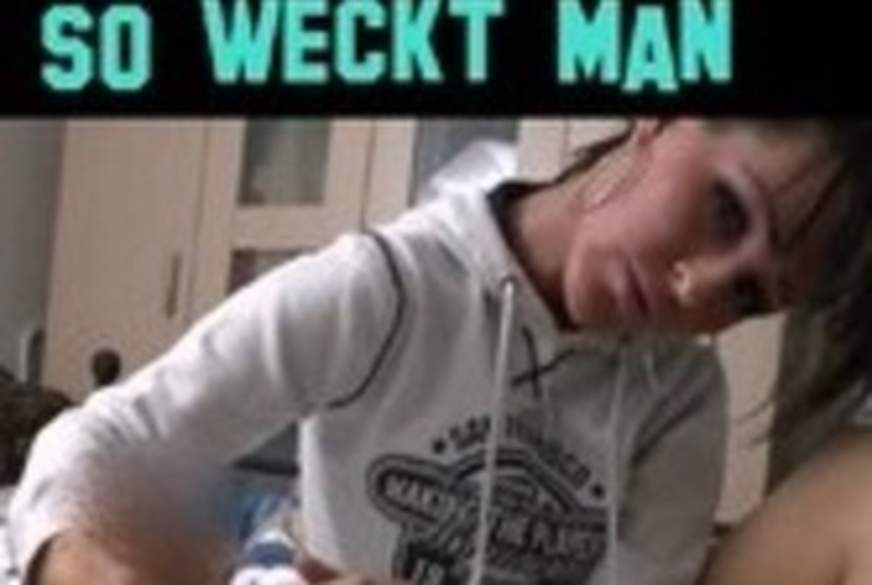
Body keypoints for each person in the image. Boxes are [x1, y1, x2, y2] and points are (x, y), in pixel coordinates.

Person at [9, 118, 872, 585]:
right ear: (659, 120)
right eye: (726, 208)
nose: (697, 287)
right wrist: (88, 569)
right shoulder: (386, 288)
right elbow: (105, 438)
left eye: (749, 294)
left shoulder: (681, 397)